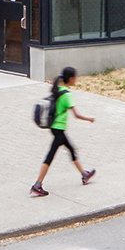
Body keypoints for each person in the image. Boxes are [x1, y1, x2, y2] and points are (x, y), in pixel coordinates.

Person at [32, 67, 97, 197]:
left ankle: (84, 174)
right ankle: (37, 185)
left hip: (55, 127)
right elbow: (76, 115)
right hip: (59, 129)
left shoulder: (58, 90)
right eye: (76, 77)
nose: (77, 79)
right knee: (50, 156)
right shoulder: (67, 95)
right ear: (71, 79)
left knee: (71, 150)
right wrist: (89, 119)